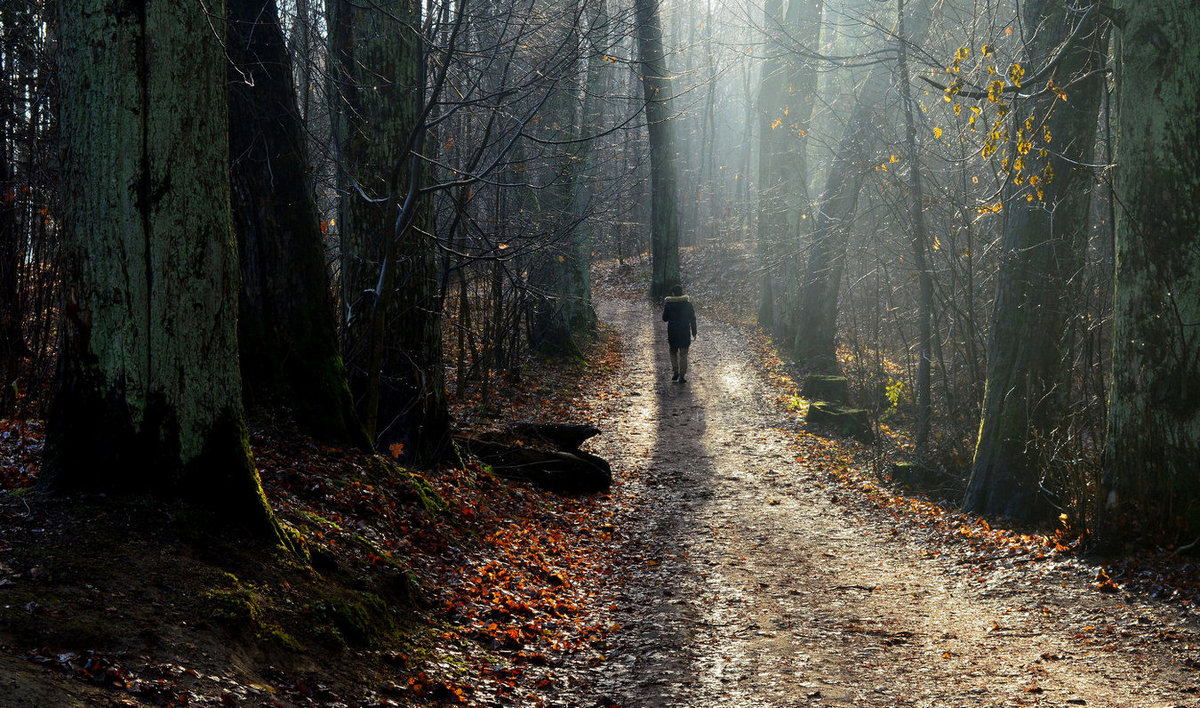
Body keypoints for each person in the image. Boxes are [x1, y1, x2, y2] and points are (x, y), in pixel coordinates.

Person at [662, 285, 697, 383]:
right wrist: (694, 332)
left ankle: (675, 371)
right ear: (681, 293)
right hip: (684, 331)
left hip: (673, 332)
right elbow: (692, 319)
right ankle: (682, 376)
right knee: (684, 354)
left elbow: (664, 319)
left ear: (673, 293)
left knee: (673, 351)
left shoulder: (668, 304)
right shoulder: (688, 304)